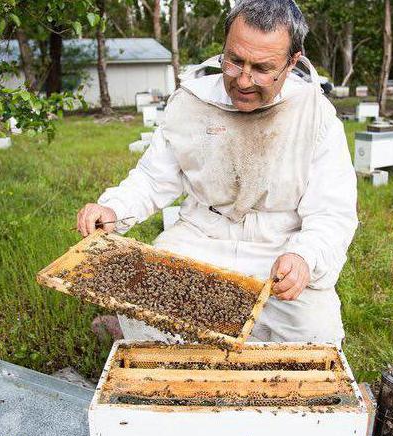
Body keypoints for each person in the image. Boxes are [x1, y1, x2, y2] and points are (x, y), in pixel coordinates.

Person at [76, 0, 358, 345]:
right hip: (200, 235)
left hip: (280, 246)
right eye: (235, 60)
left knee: (317, 338)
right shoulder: (192, 100)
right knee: (140, 313)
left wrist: (304, 256)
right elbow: (154, 177)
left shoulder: (317, 117)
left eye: (262, 68)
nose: (243, 80)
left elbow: (332, 211)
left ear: (292, 61)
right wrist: (114, 209)